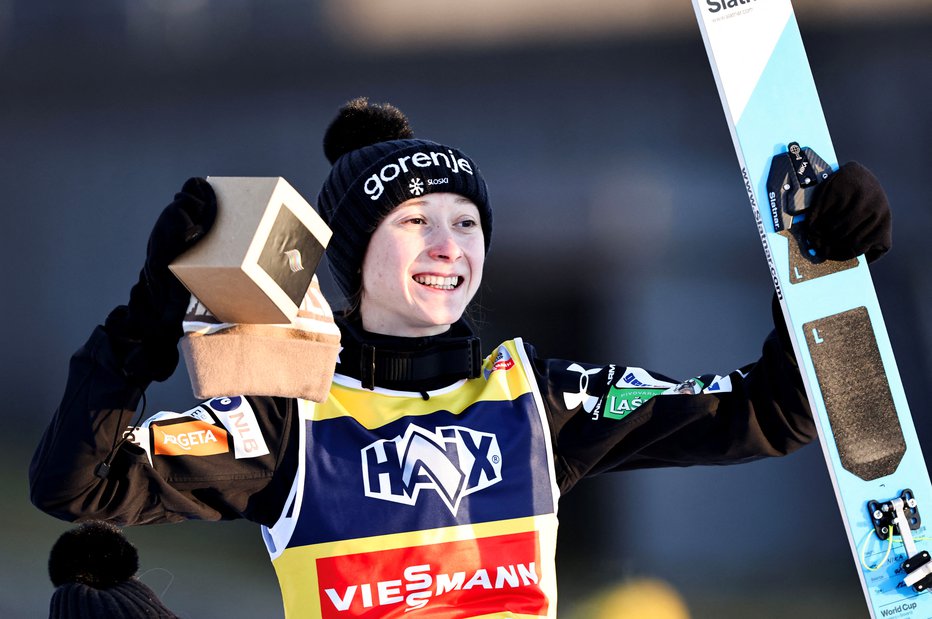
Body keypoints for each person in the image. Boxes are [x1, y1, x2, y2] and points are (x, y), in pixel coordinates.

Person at [30, 97, 892, 618]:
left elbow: (776, 411)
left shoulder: (541, 401)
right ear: (354, 254)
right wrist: (147, 311)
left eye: (467, 222)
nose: (448, 245)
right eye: (415, 222)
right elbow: (77, 483)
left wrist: (822, 260)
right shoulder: (287, 419)